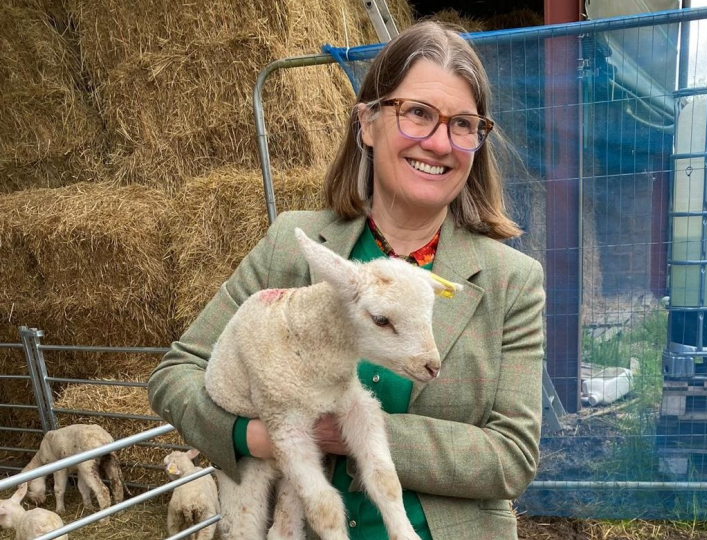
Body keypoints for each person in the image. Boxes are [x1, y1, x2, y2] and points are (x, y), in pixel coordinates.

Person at [148, 20, 545, 540]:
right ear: (367, 123)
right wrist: (259, 435)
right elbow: (176, 374)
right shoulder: (293, 244)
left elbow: (510, 456)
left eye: (463, 124)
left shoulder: (511, 281)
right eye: (418, 114)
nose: (440, 142)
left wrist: (351, 432)